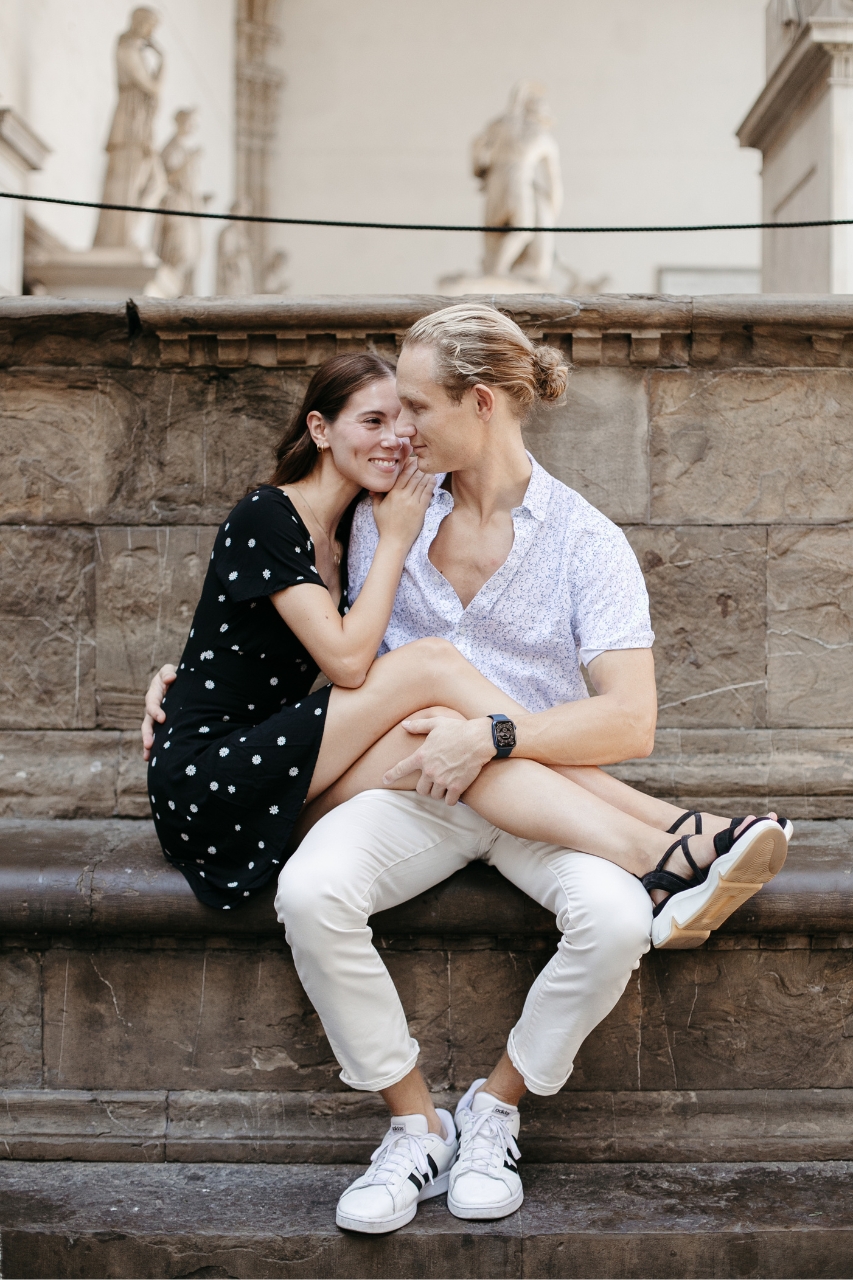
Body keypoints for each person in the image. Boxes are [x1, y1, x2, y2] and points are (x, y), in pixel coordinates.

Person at [143, 310, 788, 1232]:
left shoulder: (584, 541)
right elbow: (275, 636)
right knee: (313, 890)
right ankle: (415, 1127)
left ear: (478, 404)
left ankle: (494, 1110)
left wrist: (492, 737)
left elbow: (629, 718)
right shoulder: (377, 510)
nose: (400, 429)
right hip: (410, 785)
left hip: (533, 791)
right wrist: (170, 682)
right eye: (387, 412)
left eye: (414, 406)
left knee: (610, 923)